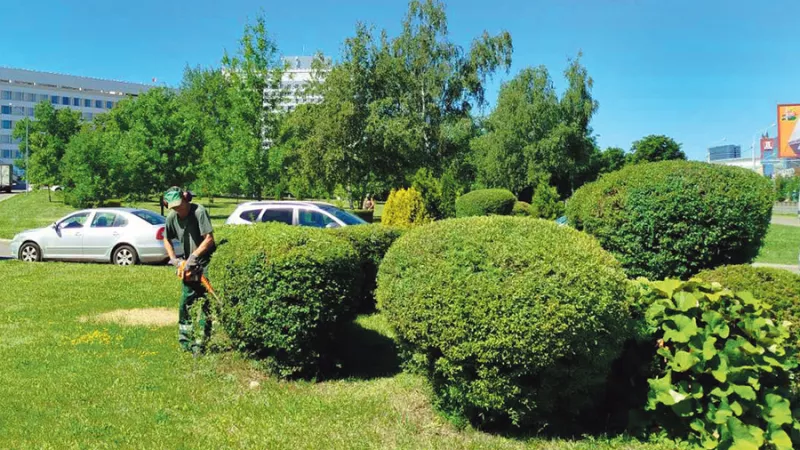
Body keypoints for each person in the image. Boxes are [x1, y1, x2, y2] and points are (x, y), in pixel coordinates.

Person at [162, 186, 216, 356]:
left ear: (186, 198)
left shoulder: (199, 212)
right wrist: (174, 259)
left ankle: (201, 343)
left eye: (180, 205)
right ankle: (185, 342)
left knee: (205, 304)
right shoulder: (172, 218)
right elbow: (166, 239)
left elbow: (209, 238)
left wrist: (195, 256)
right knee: (185, 303)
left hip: (205, 263)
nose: (178, 209)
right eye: (174, 207)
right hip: (187, 266)